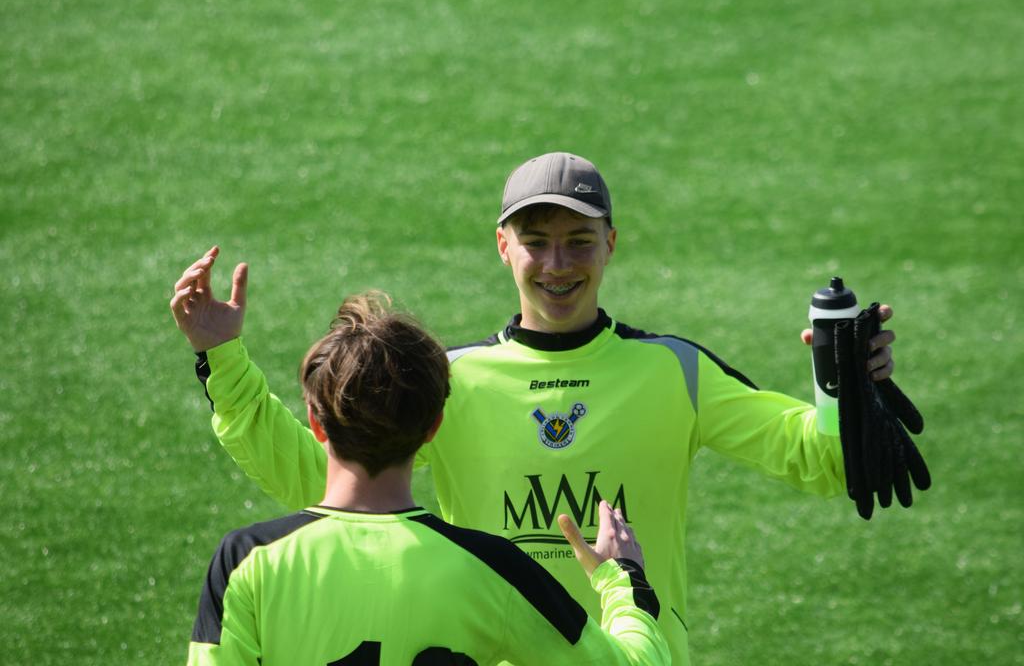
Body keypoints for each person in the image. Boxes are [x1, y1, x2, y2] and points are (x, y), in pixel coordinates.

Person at [171, 152, 899, 666]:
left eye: (579, 242)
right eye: (536, 242)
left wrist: (843, 391)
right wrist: (224, 361)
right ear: (502, 246)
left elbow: (826, 461)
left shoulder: (674, 371)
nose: (558, 265)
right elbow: (319, 475)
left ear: (610, 244)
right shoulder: (451, 379)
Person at [177, 291, 669, 665]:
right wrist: (622, 578)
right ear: (434, 427)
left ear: (316, 423)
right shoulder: (493, 569)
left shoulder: (246, 562)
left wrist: (220, 355)